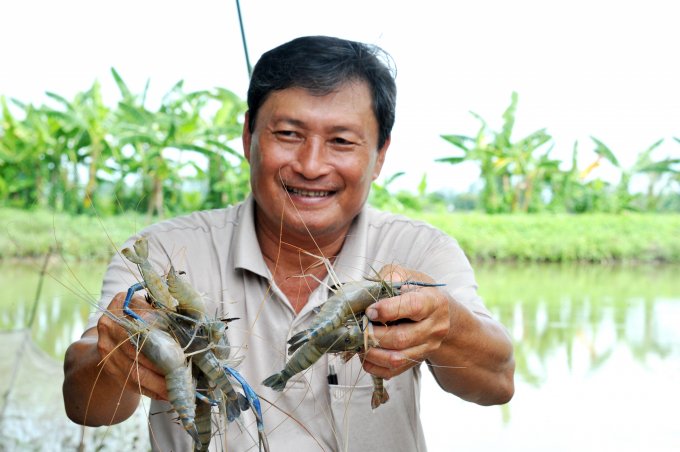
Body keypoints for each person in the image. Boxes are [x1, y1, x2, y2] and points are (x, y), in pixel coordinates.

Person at [63, 36, 514, 452]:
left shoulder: (421, 250)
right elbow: (86, 407)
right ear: (248, 137)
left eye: (341, 141)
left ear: (379, 157)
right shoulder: (159, 250)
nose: (311, 165)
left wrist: (447, 324)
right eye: (288, 134)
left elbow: (497, 383)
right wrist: (115, 355)